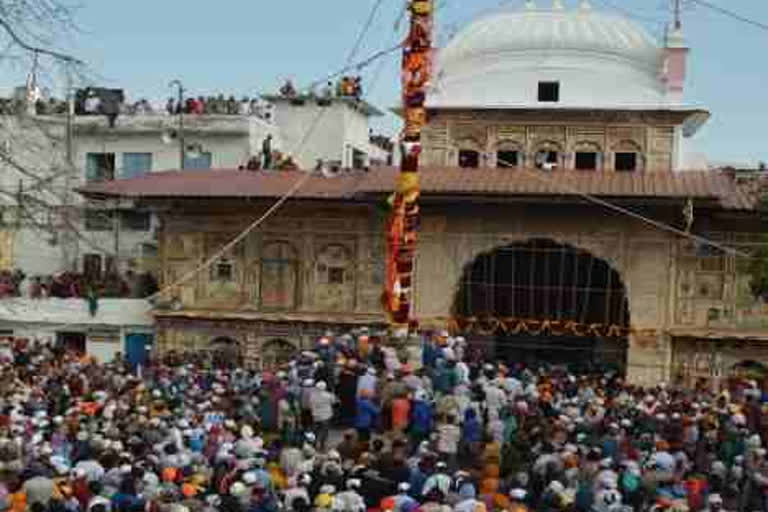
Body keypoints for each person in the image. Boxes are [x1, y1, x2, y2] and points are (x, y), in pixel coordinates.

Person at [309, 381, 336, 450]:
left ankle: (313, 444)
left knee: (314, 432)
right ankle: (322, 445)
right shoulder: (328, 395)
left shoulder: (312, 395)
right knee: (325, 431)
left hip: (316, 416)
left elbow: (310, 405)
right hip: (326, 416)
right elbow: (334, 402)